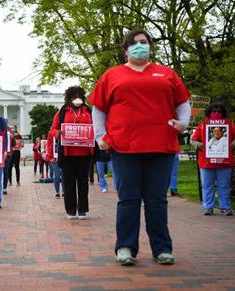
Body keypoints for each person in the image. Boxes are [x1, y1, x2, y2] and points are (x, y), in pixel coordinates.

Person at [89, 29, 191, 266]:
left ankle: (162, 249)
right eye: (134, 44)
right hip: (124, 147)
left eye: (144, 42)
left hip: (161, 145)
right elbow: (99, 108)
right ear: (126, 51)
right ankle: (125, 247)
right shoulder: (112, 75)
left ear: (150, 46)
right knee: (128, 199)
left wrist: (183, 124)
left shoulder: (166, 74)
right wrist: (100, 136)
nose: (139, 46)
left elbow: (183, 102)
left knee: (156, 200)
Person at [47, 86, 94, 220]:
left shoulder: (88, 111)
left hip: (85, 153)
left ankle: (83, 210)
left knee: (83, 183)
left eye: (79, 96)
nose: (77, 99)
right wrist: (57, 133)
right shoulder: (62, 112)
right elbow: (53, 129)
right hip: (67, 154)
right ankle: (71, 210)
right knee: (68, 183)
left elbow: (96, 127)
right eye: (74, 97)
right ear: (69, 98)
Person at [191, 102, 235, 216]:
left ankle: (225, 207)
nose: (217, 113)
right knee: (207, 185)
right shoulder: (203, 126)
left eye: (219, 111)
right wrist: (197, 144)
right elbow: (194, 139)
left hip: (225, 163)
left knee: (224, 186)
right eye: (214, 111)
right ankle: (208, 207)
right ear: (209, 112)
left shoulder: (230, 125)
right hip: (206, 162)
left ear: (223, 113)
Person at [46, 131, 63, 198]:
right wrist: (50, 157)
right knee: (59, 175)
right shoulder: (51, 133)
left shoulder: (51, 132)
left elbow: (48, 144)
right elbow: (49, 144)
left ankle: (59, 192)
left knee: (59, 175)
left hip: (58, 157)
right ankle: (59, 192)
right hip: (56, 157)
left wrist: (50, 157)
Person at [3, 126, 12, 194]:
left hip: (7, 154)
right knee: (4, 171)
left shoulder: (9, 132)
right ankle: (3, 188)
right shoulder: (9, 131)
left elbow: (13, 144)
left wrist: (12, 138)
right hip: (2, 155)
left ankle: (4, 187)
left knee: (5, 172)